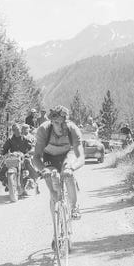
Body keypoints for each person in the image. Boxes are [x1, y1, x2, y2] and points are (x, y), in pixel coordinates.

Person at [32, 105, 85, 250]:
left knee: (68, 174)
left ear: (67, 121)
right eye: (56, 123)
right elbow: (36, 157)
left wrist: (72, 167)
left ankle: (74, 207)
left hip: (67, 154)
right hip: (49, 156)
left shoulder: (72, 129)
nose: (60, 126)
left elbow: (81, 157)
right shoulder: (44, 130)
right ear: (51, 122)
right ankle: (56, 233)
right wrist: (43, 170)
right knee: (54, 195)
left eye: (63, 122)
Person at [0, 123, 38, 192]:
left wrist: (29, 152)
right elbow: (4, 149)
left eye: (17, 129)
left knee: (29, 163)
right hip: (13, 159)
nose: (16, 131)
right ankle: (8, 183)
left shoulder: (25, 138)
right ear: (12, 131)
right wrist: (1, 153)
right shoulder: (10, 140)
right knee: (3, 170)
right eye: (14, 130)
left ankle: (33, 181)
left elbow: (31, 147)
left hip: (23, 157)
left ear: (20, 129)